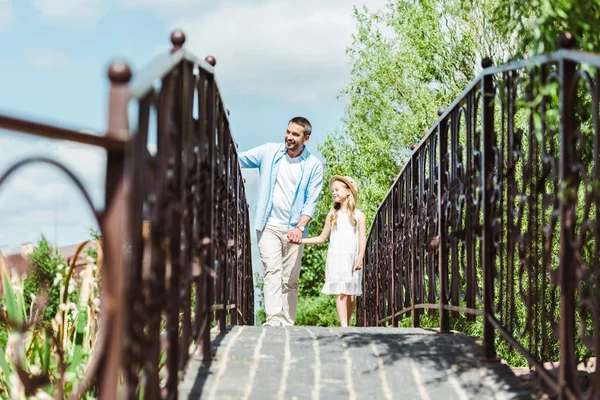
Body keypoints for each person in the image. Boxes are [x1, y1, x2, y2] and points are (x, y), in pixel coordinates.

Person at [239, 117, 323, 327]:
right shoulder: (269, 152)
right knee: (272, 270)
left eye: (295, 134)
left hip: (294, 229)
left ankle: (287, 322)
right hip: (268, 224)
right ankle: (274, 319)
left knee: (290, 279)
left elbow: (311, 202)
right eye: (288, 132)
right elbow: (238, 158)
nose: (289, 137)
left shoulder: (313, 165)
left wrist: (300, 227)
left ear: (306, 138)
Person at [301, 175, 366, 327]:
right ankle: (344, 327)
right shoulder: (332, 215)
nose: (334, 193)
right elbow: (322, 237)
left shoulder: (359, 215)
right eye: (332, 191)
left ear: (348, 191)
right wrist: (301, 241)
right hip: (338, 257)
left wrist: (360, 256)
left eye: (337, 190)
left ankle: (347, 324)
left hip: (353, 256)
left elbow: (363, 237)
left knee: (351, 295)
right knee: (341, 292)